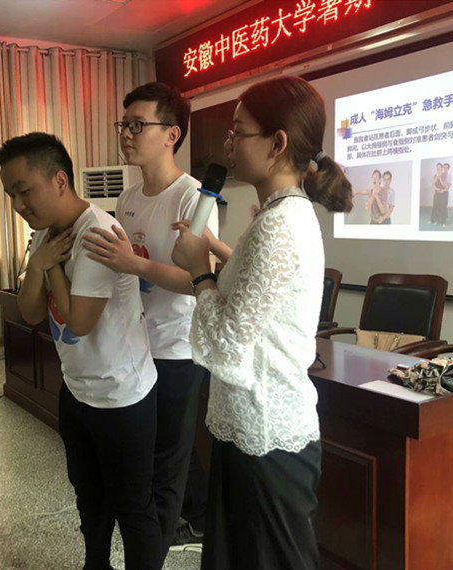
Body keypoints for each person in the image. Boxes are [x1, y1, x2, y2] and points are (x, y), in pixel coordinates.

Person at [171, 75, 353, 570]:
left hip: (269, 436)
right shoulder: (279, 215)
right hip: (249, 425)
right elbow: (259, 289)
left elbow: (229, 342)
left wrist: (198, 272)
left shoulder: (280, 224)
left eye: (238, 131)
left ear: (277, 144)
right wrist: (213, 249)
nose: (228, 143)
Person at [0, 132, 161, 570]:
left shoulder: (97, 233)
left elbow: (79, 323)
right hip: (78, 389)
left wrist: (49, 267)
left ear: (60, 180)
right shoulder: (44, 236)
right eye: (11, 196)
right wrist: (38, 262)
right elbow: (31, 312)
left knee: (132, 507)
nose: (19, 205)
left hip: (122, 396)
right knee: (89, 496)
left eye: (24, 191)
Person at [81, 82, 218, 558]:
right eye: (124, 124)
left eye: (138, 125)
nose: (126, 134)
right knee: (156, 455)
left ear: (171, 134)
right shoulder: (129, 197)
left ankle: (157, 547)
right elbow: (124, 272)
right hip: (137, 348)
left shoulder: (193, 197)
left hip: (177, 348)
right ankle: (197, 517)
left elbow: (198, 281)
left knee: (164, 468)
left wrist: (133, 264)